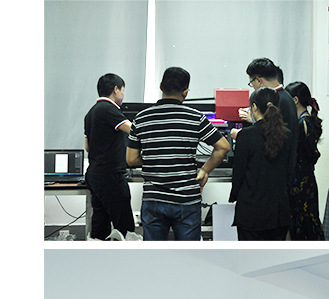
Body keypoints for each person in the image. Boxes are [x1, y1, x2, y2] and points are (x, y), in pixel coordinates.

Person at [126, 66, 230, 241]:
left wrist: (156, 158)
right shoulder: (195, 117)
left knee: (154, 253)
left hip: (154, 199)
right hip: (187, 200)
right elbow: (223, 147)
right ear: (185, 92)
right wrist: (205, 170)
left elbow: (131, 159)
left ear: (161, 86)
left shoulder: (141, 118)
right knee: (189, 254)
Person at [229, 87, 291, 240]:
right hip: (279, 211)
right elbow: (289, 170)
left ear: (254, 107)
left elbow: (238, 174)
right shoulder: (287, 135)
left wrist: (234, 196)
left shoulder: (246, 135)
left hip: (251, 211)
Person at [83, 73, 135, 240]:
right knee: (125, 226)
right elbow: (133, 130)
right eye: (123, 91)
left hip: (95, 174)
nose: (123, 95)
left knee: (101, 222)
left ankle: (100, 252)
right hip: (110, 175)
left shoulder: (90, 113)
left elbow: (87, 147)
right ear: (116, 89)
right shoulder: (108, 109)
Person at [245, 57, 298, 180]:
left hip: (274, 171)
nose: (253, 87)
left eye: (251, 83)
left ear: (258, 80)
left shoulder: (276, 100)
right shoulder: (286, 97)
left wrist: (243, 136)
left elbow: (270, 134)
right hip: (284, 168)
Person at [285, 81, 325, 241]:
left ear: (295, 100)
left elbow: (311, 154)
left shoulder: (304, 123)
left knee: (303, 222)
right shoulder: (302, 121)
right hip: (302, 180)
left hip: (301, 182)